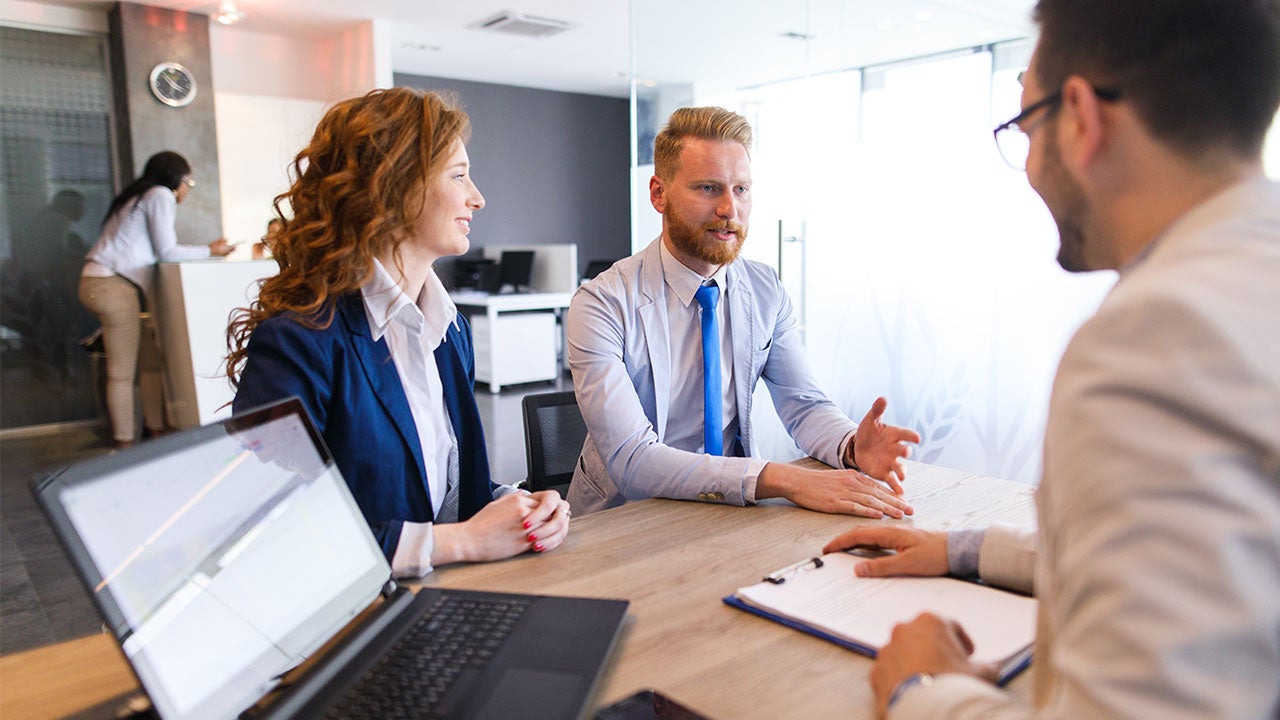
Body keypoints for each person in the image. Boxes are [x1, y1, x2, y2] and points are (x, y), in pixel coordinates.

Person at [823, 1, 1280, 717]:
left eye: (1023, 126)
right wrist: (965, 549)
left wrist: (925, 687)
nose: (1029, 162)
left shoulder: (1153, 340)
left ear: (1079, 117)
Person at [226, 87, 570, 577]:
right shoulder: (299, 342)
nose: (477, 197)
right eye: (459, 176)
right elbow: (280, 531)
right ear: (396, 188)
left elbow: (445, 489)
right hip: (361, 622)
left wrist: (518, 507)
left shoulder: (449, 332)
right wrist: (463, 542)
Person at [567, 106, 920, 517]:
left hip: (731, 511)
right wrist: (785, 479)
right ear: (658, 194)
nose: (729, 210)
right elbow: (634, 460)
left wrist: (850, 446)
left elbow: (803, 405)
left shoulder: (765, 289)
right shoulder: (602, 303)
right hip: (625, 519)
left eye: (741, 190)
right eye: (708, 189)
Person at [79, 152, 233, 447]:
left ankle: (156, 430)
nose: (188, 189)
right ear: (177, 179)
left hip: (101, 282)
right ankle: (126, 445)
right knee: (122, 373)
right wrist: (210, 250)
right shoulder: (161, 195)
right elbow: (167, 251)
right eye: (190, 182)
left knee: (150, 361)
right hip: (112, 285)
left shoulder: (137, 196)